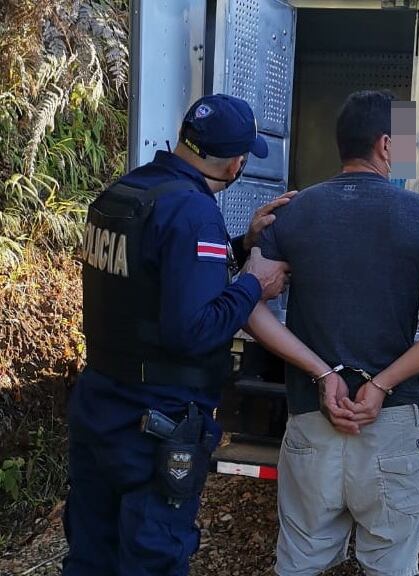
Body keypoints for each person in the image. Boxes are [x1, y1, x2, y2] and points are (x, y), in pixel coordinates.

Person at [64, 94, 293, 576]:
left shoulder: (125, 193)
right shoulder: (193, 212)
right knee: (153, 558)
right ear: (235, 162)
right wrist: (255, 284)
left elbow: (154, 277)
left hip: (101, 403)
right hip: (155, 420)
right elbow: (192, 330)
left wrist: (239, 245)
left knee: (92, 553)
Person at [254, 90, 419, 576]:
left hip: (312, 418)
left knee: (298, 563)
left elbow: (249, 308)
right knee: (391, 566)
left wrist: (321, 373)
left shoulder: (291, 214)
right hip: (391, 425)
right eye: (405, 140)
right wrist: (380, 384)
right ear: (384, 144)